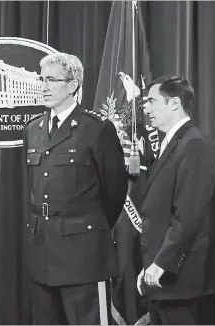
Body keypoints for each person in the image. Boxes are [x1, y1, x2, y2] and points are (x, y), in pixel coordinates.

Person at [23, 53, 128, 325]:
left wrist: (85, 226)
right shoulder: (33, 129)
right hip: (42, 251)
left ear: (72, 85)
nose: (43, 86)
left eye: (51, 80)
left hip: (83, 254)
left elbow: (115, 192)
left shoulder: (96, 129)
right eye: (41, 79)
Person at [137, 76, 215, 325]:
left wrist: (160, 263)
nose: (146, 108)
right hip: (165, 277)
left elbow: (188, 215)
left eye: (152, 101)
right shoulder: (173, 143)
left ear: (174, 103)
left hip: (185, 279)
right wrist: (150, 265)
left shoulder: (194, 144)